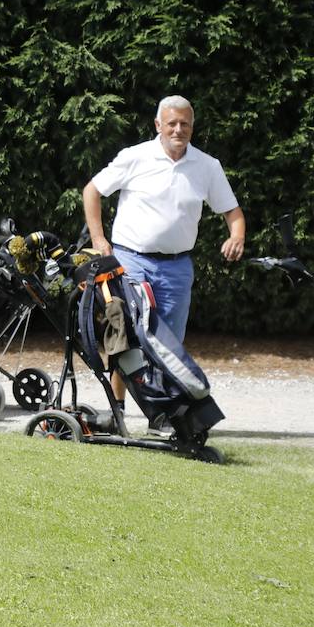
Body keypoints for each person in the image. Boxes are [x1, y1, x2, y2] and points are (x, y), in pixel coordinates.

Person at [83, 94, 245, 413]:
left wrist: (236, 236)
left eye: (184, 124)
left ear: (192, 127)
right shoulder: (135, 157)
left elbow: (233, 212)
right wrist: (99, 239)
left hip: (176, 267)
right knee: (125, 335)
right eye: (171, 123)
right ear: (158, 125)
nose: (178, 129)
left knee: (169, 345)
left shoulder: (207, 166)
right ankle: (117, 409)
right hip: (130, 261)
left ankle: (164, 413)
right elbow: (92, 191)